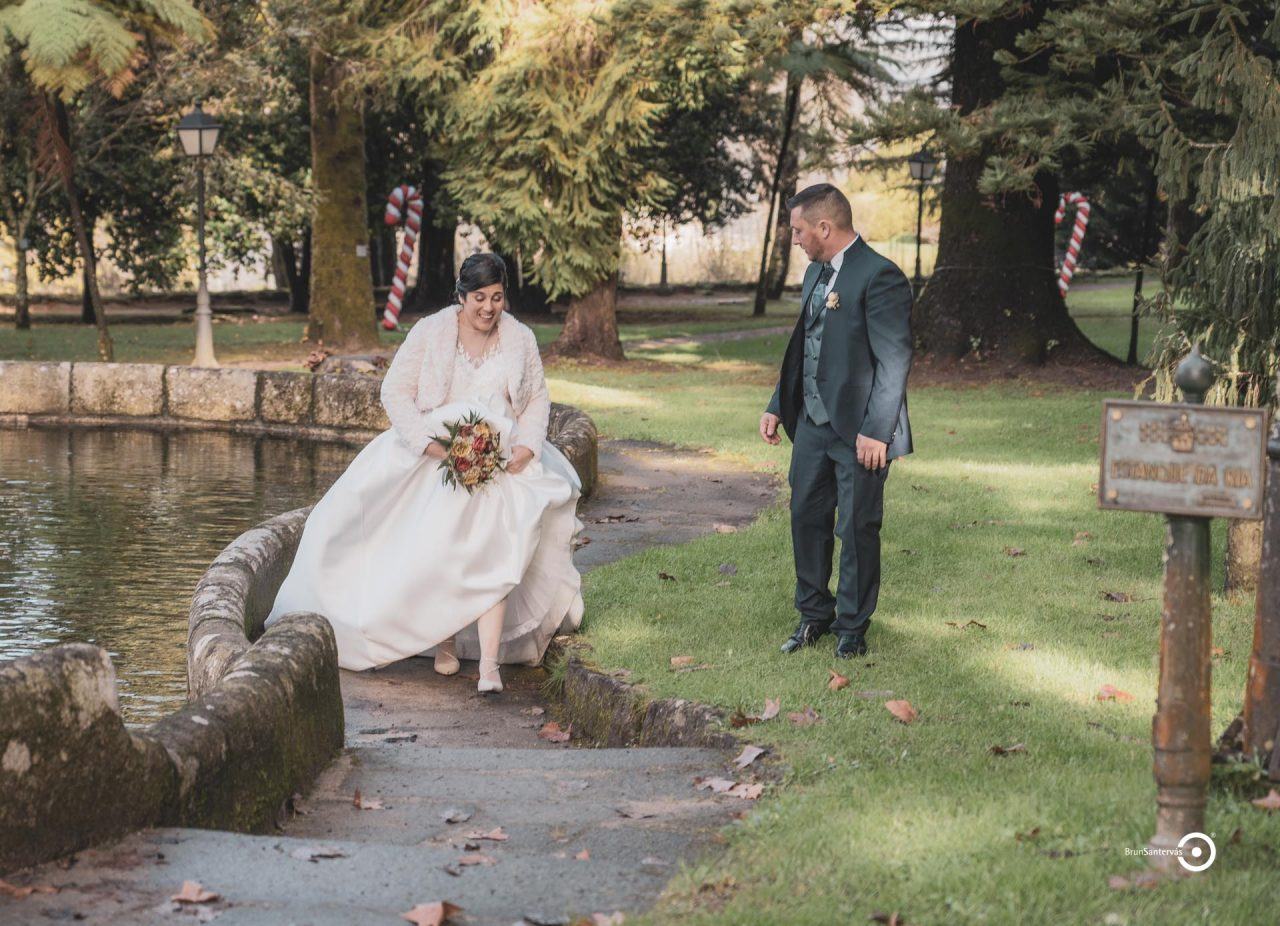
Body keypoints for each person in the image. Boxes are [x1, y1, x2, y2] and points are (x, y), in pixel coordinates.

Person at [266, 253, 584, 693]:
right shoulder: (431, 332)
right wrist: (434, 448)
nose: (489, 308)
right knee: (442, 550)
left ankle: (489, 665)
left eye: (496, 297)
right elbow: (394, 391)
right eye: (478, 298)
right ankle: (446, 641)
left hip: (500, 462)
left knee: (502, 549)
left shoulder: (521, 339)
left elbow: (536, 399)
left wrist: (527, 448)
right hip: (438, 459)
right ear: (461, 296)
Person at [760, 183, 913, 659]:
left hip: (860, 430)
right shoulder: (813, 275)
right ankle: (813, 615)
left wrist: (878, 430)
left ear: (825, 227)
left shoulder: (880, 276)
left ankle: (852, 625)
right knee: (805, 516)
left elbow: (894, 359)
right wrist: (776, 404)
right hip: (810, 423)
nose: (796, 239)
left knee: (857, 527)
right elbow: (805, 345)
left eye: (799, 230)